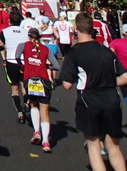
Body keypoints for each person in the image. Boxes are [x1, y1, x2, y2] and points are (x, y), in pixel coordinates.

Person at [61, 12, 127, 171]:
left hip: (89, 102)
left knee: (94, 146)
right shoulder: (106, 51)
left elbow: (67, 85)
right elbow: (125, 77)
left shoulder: (74, 53)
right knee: (114, 147)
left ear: (76, 28)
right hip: (111, 101)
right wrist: (110, 83)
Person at [16, 27, 59, 152]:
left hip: (30, 80)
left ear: (29, 36)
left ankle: (36, 132)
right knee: (44, 111)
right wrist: (45, 64)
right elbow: (56, 66)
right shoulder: (46, 49)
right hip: (43, 80)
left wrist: (23, 66)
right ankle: (46, 141)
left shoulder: (23, 45)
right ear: (39, 37)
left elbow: (17, 57)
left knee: (34, 105)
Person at [0, 10, 29, 124]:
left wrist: (1, 47)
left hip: (11, 61)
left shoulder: (5, 31)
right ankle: (26, 102)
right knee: (24, 86)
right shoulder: (26, 32)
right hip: (23, 61)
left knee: (14, 88)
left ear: (9, 21)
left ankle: (19, 113)